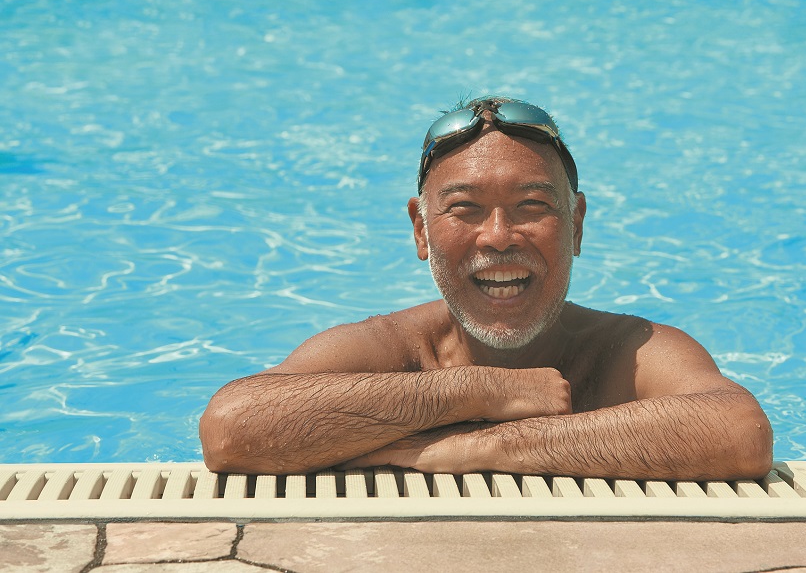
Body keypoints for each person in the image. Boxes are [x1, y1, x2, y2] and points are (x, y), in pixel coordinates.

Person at [199, 96, 773, 480]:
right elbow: (230, 429)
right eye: (465, 210)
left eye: (532, 206)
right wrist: (480, 392)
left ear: (575, 225)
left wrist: (493, 445)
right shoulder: (390, 348)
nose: (498, 237)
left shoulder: (631, 350)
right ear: (421, 229)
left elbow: (740, 432)